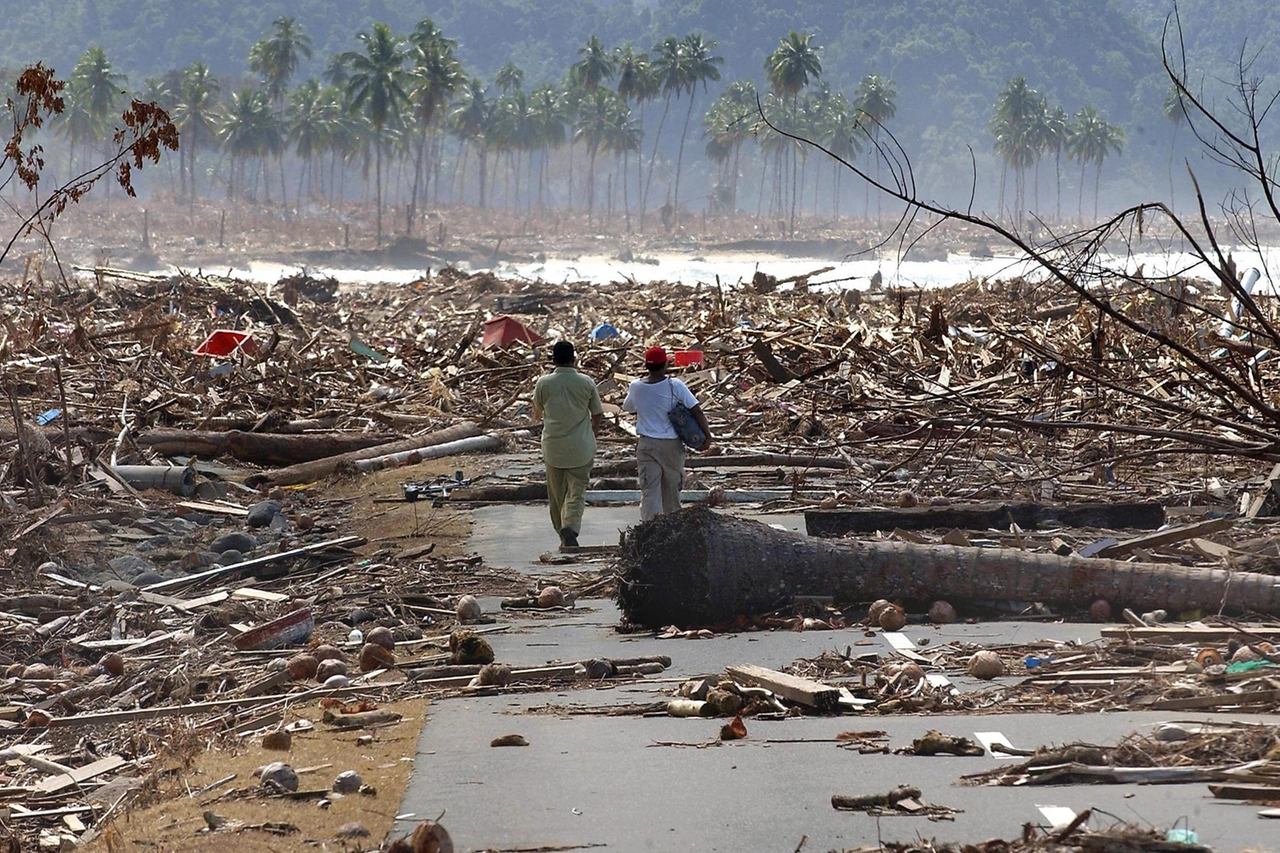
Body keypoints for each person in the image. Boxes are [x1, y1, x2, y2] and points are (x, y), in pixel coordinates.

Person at [622, 346, 713, 521]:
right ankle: (672, 530)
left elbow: (629, 408)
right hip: (670, 446)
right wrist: (707, 436)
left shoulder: (636, 387)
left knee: (649, 490)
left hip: (646, 445)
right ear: (665, 365)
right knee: (671, 491)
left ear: (646, 366)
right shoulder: (674, 385)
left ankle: (649, 529)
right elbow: (696, 410)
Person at [532, 341, 603, 547]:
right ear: (574, 358)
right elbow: (597, 413)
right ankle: (570, 527)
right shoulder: (586, 382)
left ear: (553, 360)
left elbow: (536, 411)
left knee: (556, 495)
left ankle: (561, 532)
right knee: (577, 492)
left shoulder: (543, 383)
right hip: (581, 446)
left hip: (553, 447)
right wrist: (593, 432)